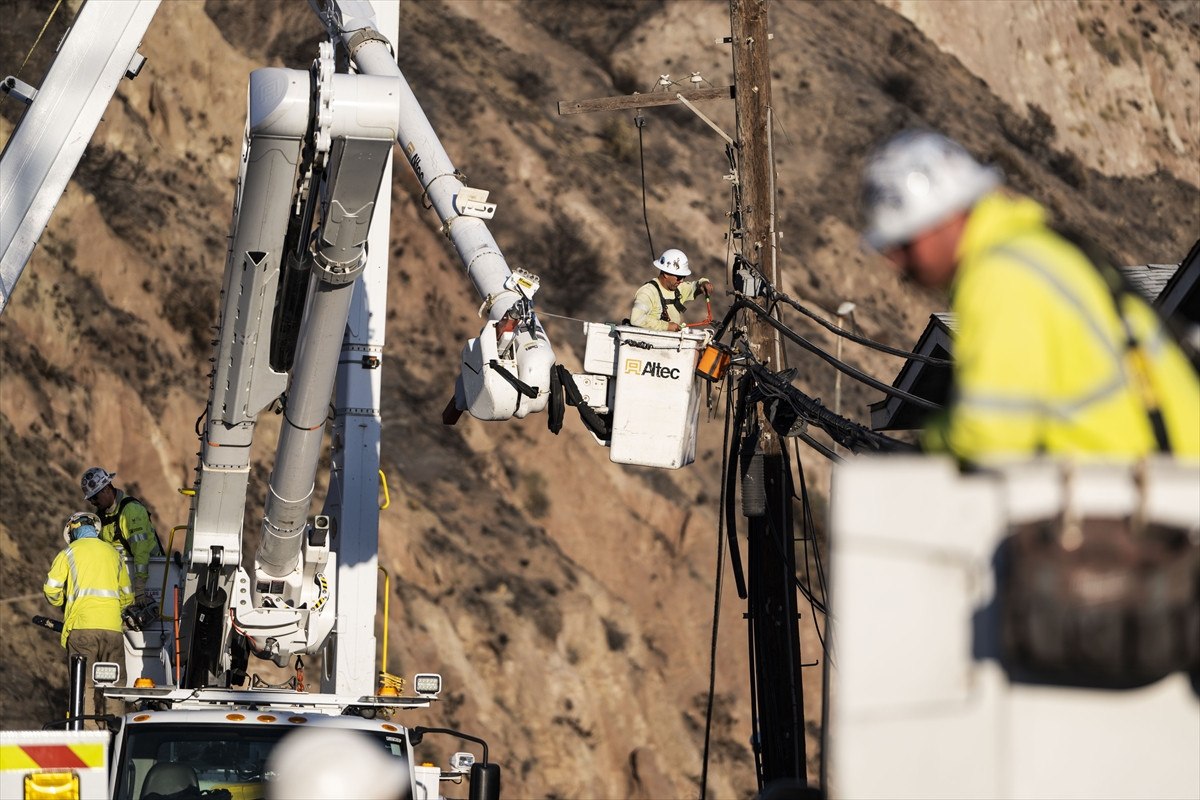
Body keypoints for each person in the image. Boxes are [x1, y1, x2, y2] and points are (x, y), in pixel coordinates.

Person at [859, 129, 1199, 461]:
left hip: (1156, 485)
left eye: (905, 242)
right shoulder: (1026, 248)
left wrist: (924, 452)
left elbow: (991, 437)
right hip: (1153, 472)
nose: (895, 261)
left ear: (946, 220)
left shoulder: (999, 276)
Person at [43, 511, 133, 729]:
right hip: (112, 630)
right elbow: (127, 596)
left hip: (82, 630)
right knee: (115, 687)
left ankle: (90, 738)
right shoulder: (113, 554)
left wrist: (64, 601)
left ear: (73, 531)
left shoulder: (69, 554)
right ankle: (115, 733)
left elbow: (51, 590)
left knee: (85, 687)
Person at [81, 466, 163, 594]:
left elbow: (141, 551)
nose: (92, 502)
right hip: (122, 579)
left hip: (152, 575)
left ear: (107, 489)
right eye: (90, 498)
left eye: (95, 497)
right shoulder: (101, 516)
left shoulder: (131, 511)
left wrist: (140, 587)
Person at [630, 248, 713, 331]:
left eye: (684, 277)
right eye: (679, 277)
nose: (681, 281)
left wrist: (704, 283)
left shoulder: (678, 289)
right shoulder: (648, 292)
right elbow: (636, 319)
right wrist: (666, 326)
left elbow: (695, 286)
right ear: (666, 274)